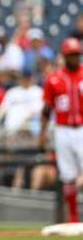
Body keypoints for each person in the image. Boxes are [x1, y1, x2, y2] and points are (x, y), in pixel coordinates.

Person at [39, 37, 83, 223]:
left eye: (76, 54)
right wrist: (42, 132)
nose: (74, 58)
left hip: (82, 128)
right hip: (62, 129)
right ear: (65, 56)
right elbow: (47, 109)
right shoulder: (54, 78)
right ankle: (73, 216)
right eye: (71, 55)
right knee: (68, 175)